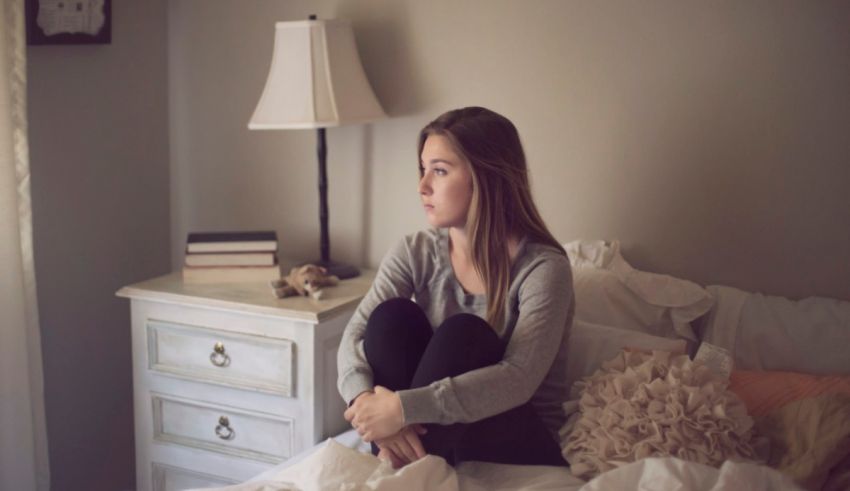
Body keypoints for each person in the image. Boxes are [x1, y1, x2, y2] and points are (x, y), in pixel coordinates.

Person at [337, 106, 574, 469]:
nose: (422, 186)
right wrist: (368, 404)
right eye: (423, 169)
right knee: (392, 318)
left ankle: (407, 466)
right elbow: (355, 334)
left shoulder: (543, 269)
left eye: (440, 171)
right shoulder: (414, 251)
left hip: (515, 436)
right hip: (430, 435)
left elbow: (518, 379)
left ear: (485, 179)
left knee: (464, 334)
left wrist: (402, 409)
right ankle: (403, 460)